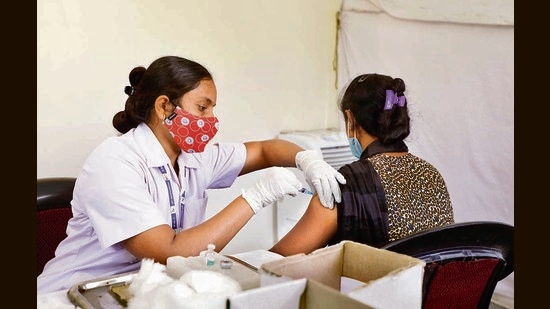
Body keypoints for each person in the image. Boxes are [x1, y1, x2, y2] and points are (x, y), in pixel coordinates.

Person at [37, 55, 346, 293]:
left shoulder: (194, 157)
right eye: (202, 108)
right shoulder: (115, 163)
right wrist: (256, 197)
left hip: (144, 290)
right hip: (73, 294)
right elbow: (167, 251)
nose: (212, 119)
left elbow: (265, 150)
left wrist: (307, 159)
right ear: (164, 107)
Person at [269, 73, 455, 256]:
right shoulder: (431, 174)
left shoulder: (348, 184)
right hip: (430, 286)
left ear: (350, 120)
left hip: (375, 286)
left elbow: (277, 262)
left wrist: (256, 197)